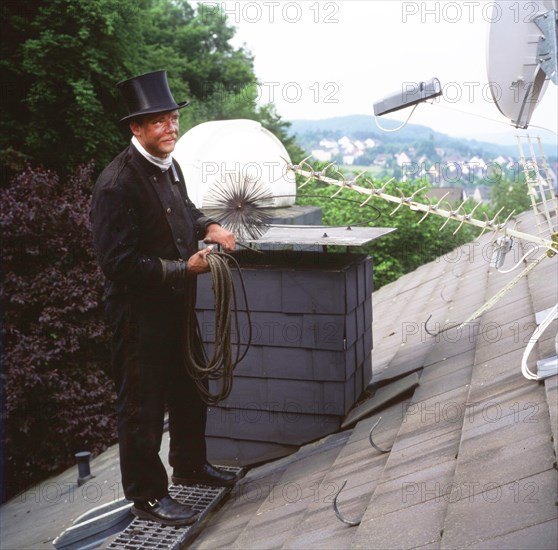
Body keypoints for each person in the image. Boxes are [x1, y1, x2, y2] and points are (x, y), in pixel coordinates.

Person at [90, 70, 237, 527]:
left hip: (176, 307)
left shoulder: (168, 164)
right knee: (143, 407)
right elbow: (118, 264)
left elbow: (184, 211)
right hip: (138, 320)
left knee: (190, 389)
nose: (171, 128)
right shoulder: (115, 185)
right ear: (136, 128)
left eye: (173, 119)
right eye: (160, 122)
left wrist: (208, 226)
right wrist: (183, 268)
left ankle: (191, 465)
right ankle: (148, 497)